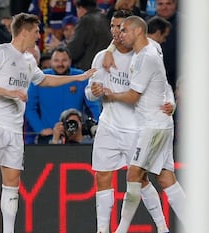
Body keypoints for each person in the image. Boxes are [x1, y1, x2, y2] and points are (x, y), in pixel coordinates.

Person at [0, 12, 96, 233]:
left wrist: (77, 78)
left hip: (14, 128)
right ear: (24, 31)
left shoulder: (30, 60)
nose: (38, 34)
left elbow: (44, 80)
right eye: (36, 31)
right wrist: (9, 92)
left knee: (12, 181)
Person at [86, 10, 173, 233]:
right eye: (113, 27)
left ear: (132, 30)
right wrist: (94, 91)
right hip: (108, 125)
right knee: (102, 176)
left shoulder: (147, 53)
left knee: (140, 181)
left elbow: (163, 83)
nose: (116, 32)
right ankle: (102, 229)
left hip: (136, 127)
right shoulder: (101, 57)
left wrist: (170, 102)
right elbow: (89, 93)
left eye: (121, 28)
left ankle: (162, 228)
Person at [102, 16, 185, 233]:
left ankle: (121, 230)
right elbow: (165, 82)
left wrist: (110, 94)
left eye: (124, 31)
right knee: (166, 178)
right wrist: (172, 102)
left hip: (154, 126)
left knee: (133, 174)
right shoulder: (150, 49)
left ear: (137, 31)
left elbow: (132, 96)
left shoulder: (146, 57)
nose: (121, 35)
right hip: (160, 123)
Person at [25, 46, 101, 144]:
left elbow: (93, 105)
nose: (60, 64)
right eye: (56, 60)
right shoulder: (41, 78)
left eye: (64, 60)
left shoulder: (80, 77)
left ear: (70, 61)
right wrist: (40, 128)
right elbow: (30, 108)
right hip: (48, 135)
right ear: (51, 61)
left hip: (75, 135)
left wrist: (99, 127)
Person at [66, 0, 112, 70]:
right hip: (106, 66)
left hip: (89, 69)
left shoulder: (86, 21)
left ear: (80, 8)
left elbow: (73, 51)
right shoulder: (105, 17)